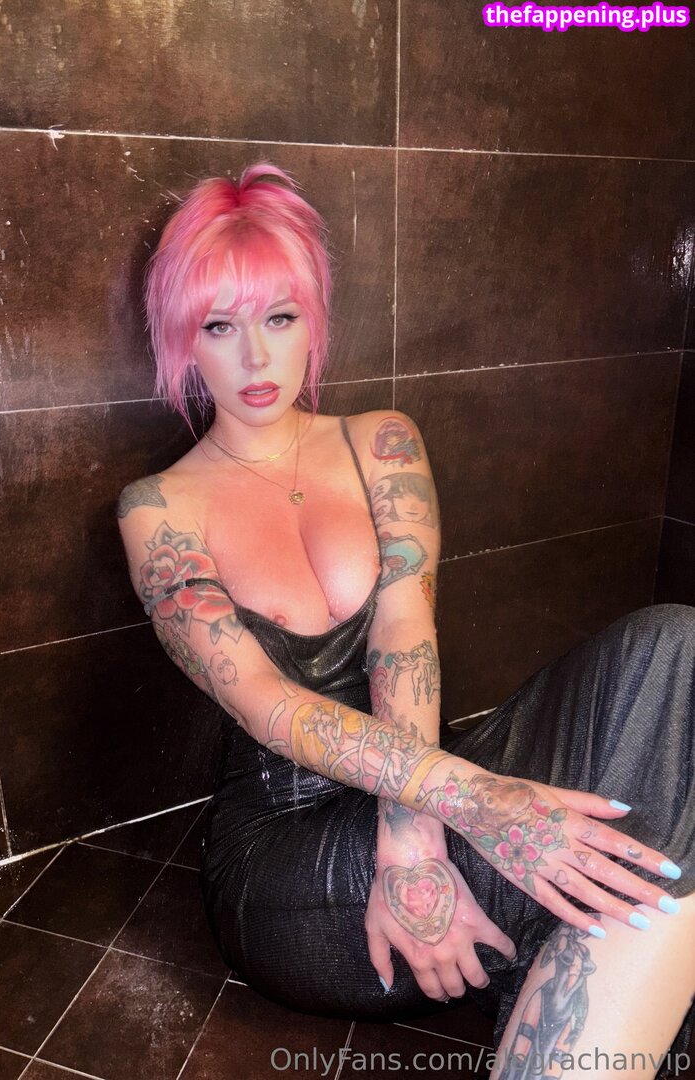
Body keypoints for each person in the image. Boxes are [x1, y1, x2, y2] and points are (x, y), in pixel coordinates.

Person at [116, 163, 695, 1079]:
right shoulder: (157, 508)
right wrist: (478, 802)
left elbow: (404, 635)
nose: (256, 360)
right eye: (219, 328)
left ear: (314, 317)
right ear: (184, 339)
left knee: (675, 647)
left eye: (279, 319)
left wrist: (417, 835)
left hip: (424, 786)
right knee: (660, 823)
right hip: (292, 855)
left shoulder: (380, 441)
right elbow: (269, 705)